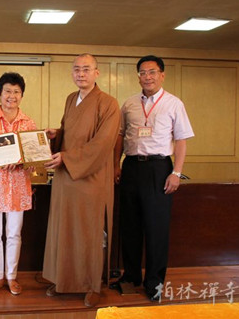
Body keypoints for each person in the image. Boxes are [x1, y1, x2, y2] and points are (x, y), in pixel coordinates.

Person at [112, 55, 194, 301]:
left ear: (162, 75)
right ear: (138, 76)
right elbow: (119, 137)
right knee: (130, 226)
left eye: (152, 72)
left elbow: (181, 140)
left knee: (157, 228)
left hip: (159, 168)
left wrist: (176, 173)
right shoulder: (128, 104)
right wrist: (116, 164)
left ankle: (154, 283)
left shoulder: (173, 103)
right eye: (143, 73)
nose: (147, 77)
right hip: (132, 167)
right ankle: (131, 276)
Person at [42, 53, 120, 308]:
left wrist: (66, 158)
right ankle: (64, 281)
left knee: (90, 232)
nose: (81, 74)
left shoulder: (108, 103)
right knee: (65, 230)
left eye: (86, 69)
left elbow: (102, 144)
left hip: (91, 177)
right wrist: (57, 134)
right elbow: (72, 133)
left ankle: (92, 285)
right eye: (76, 69)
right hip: (66, 177)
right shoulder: (70, 99)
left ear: (97, 73)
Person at [0, 72, 37, 296]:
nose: (11, 96)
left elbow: (33, 156)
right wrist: (3, 160)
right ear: (0, 93)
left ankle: (11, 276)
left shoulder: (28, 122)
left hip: (19, 186)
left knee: (14, 233)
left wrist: (22, 162)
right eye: (7, 91)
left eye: (16, 92)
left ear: (21, 95)